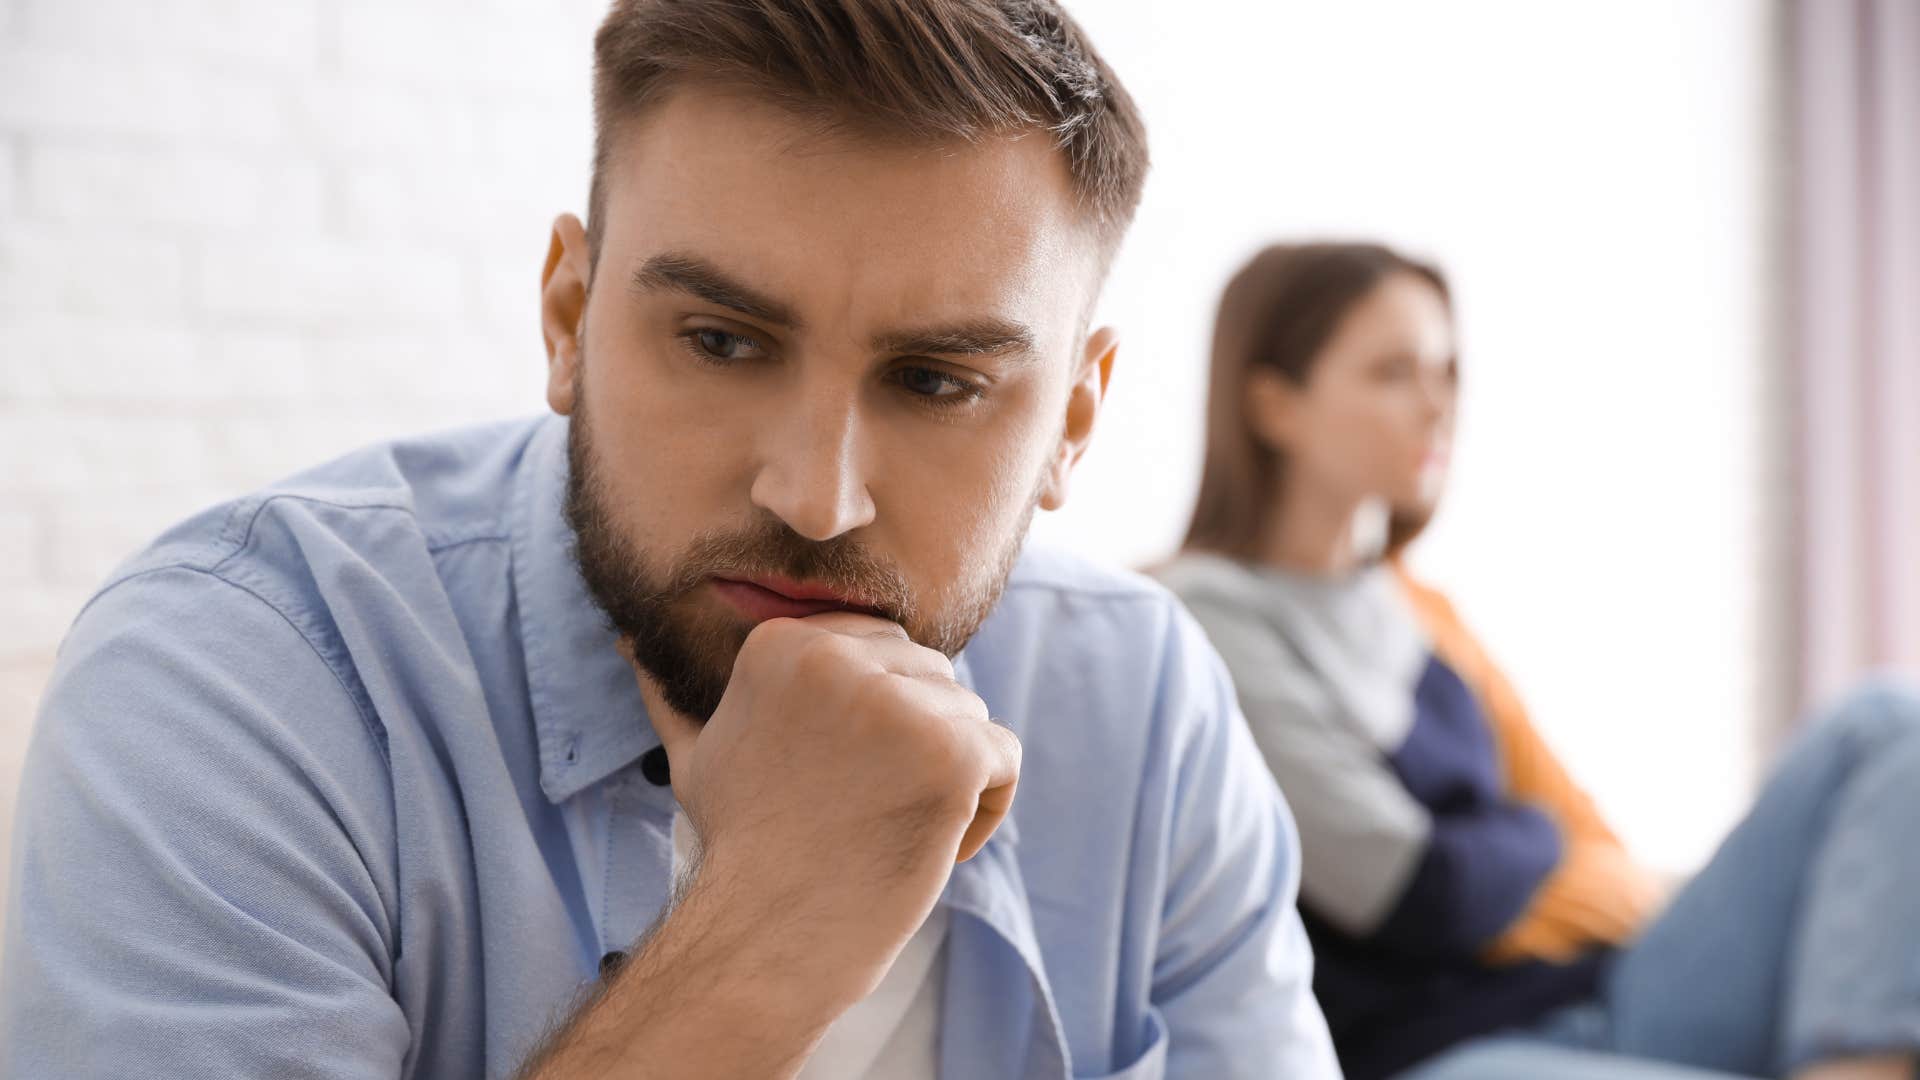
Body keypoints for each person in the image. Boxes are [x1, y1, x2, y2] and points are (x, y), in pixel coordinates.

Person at [0, 5, 1344, 1077]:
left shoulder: (1145, 706)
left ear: (1075, 419)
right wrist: (770, 930)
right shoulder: (244, 676)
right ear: (570, 317)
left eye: (937, 381)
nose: (818, 499)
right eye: (721, 341)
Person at [1157, 242, 1920, 1080]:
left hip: (1610, 991)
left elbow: (1576, 833)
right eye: (1393, 372)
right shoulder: (1202, 615)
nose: (1437, 404)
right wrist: (1527, 840)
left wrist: (1513, 848)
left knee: (1884, 723)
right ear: (1274, 405)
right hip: (1443, 1048)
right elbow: (1414, 890)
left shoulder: (1418, 610)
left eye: (1447, 371)